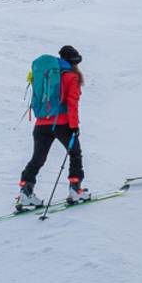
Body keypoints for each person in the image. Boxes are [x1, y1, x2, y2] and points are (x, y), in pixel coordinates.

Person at [17, 46, 88, 209]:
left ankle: (25, 193)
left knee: (38, 158)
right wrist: (74, 126)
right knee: (75, 154)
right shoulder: (71, 77)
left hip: (41, 123)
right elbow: (72, 104)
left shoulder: (47, 74)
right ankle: (75, 190)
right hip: (62, 123)